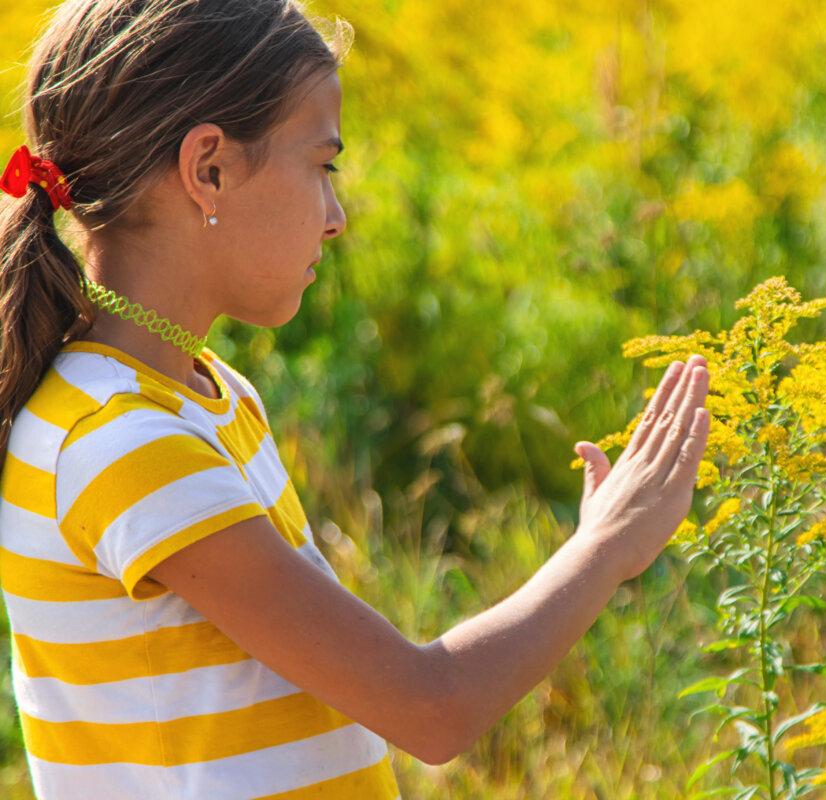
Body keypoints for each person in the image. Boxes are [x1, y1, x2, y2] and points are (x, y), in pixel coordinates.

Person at [0, 1, 711, 797]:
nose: (336, 218)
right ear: (210, 167)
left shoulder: (205, 396)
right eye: (322, 165)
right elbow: (429, 706)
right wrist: (607, 548)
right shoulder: (123, 442)